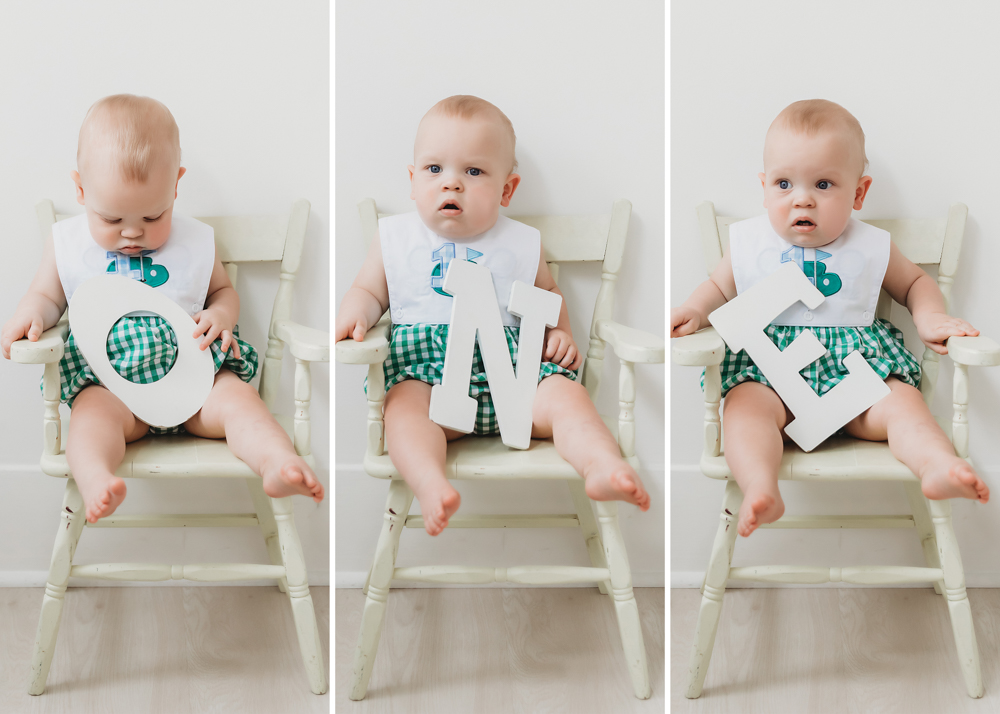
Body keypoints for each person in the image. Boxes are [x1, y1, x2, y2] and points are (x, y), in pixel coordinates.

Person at [671, 99, 989, 537]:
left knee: (903, 406)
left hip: (854, 378)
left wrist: (930, 316)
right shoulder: (748, 242)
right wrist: (693, 309)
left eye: (823, 184)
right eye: (784, 183)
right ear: (764, 189)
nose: (802, 198)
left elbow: (915, 283)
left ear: (858, 193)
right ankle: (760, 486)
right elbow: (719, 288)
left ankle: (935, 463)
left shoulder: (873, 244)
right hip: (773, 379)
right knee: (744, 411)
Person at [336, 95, 650, 536]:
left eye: (474, 171)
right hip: (432, 382)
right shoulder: (396, 238)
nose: (452, 184)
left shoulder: (522, 242)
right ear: (412, 181)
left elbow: (548, 292)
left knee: (567, 398)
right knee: (403, 412)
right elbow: (370, 290)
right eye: (434, 169)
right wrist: (356, 313)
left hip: (516, 385)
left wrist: (560, 331)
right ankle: (429, 482)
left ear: (506, 190)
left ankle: (600, 463)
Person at [1, 94, 324, 523]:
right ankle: (96, 477)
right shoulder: (67, 244)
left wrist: (222, 314)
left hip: (195, 385)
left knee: (241, 402)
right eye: (112, 220)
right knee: (90, 417)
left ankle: (276, 462)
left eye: (154, 217)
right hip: (116, 391)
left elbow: (222, 292)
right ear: (80, 189)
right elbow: (46, 296)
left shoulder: (195, 240)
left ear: (175, 185)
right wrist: (32, 313)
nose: (132, 233)